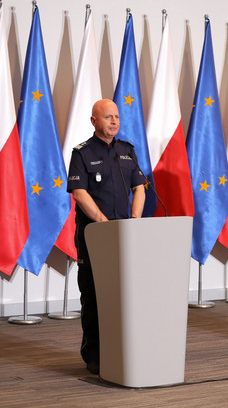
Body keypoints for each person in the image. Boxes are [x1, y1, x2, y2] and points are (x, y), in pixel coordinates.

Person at [66, 99, 146, 374]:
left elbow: (140, 189)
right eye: (107, 117)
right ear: (94, 121)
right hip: (95, 235)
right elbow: (79, 193)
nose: (114, 122)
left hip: (125, 235)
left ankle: (123, 352)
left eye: (116, 117)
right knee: (94, 295)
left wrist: (134, 221)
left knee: (123, 296)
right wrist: (103, 222)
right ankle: (95, 358)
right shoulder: (82, 153)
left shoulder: (127, 151)